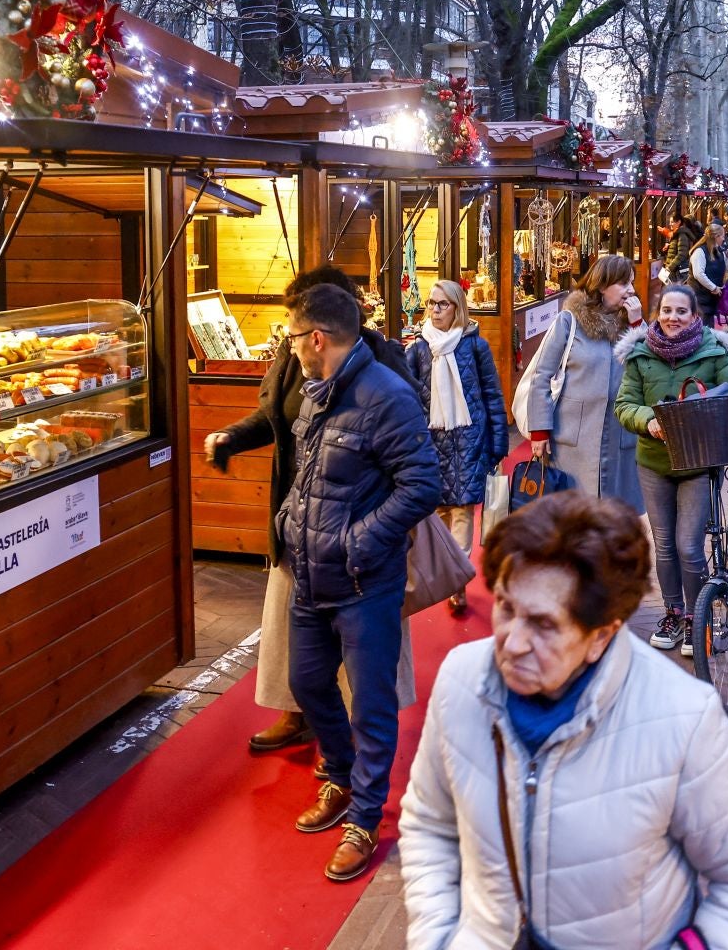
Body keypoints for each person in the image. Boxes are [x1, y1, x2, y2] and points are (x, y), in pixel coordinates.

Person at [398, 491, 728, 950]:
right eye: (506, 608)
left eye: (544, 625)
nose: (511, 642)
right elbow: (429, 822)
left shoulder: (681, 715)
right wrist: (437, 938)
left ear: (600, 636)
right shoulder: (462, 680)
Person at [207, 266, 417, 758]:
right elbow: (275, 418)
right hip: (299, 517)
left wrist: (365, 535)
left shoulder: (383, 363)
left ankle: (345, 747)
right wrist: (233, 437)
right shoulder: (291, 357)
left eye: (297, 324)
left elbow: (414, 469)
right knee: (291, 632)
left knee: (360, 648)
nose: (291, 334)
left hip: (360, 534)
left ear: (325, 323)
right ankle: (299, 713)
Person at [277, 282, 442, 881]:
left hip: (361, 579)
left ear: (316, 337)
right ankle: (342, 777)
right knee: (307, 681)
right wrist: (289, 522)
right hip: (309, 573)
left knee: (371, 703)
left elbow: (423, 483)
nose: (290, 347)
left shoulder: (386, 396)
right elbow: (311, 474)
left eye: (293, 337)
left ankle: (365, 816)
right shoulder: (317, 392)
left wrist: (361, 539)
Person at [615, 284, 728, 655]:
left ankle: (695, 619)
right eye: (666, 311)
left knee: (689, 545)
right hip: (654, 462)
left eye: (680, 311)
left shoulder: (712, 350)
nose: (672, 318)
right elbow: (624, 405)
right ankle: (674, 612)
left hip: (698, 461)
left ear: (694, 316)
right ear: (657, 314)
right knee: (664, 545)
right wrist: (648, 420)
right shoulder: (640, 355)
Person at [406, 279, 510, 616]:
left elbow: (492, 395)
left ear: (457, 308)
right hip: (431, 443)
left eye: (442, 304)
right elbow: (406, 399)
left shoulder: (475, 346)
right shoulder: (418, 349)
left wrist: (497, 443)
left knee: (463, 512)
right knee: (438, 513)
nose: (435, 310)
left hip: (468, 440)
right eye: (432, 304)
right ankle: (448, 575)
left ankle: (457, 583)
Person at [523, 255, 648, 513]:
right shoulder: (569, 322)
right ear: (602, 285)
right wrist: (539, 430)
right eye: (624, 284)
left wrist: (637, 324)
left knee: (614, 518)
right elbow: (541, 376)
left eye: (631, 283)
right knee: (572, 516)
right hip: (572, 439)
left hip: (618, 437)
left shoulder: (631, 325)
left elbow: (649, 368)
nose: (631, 291)